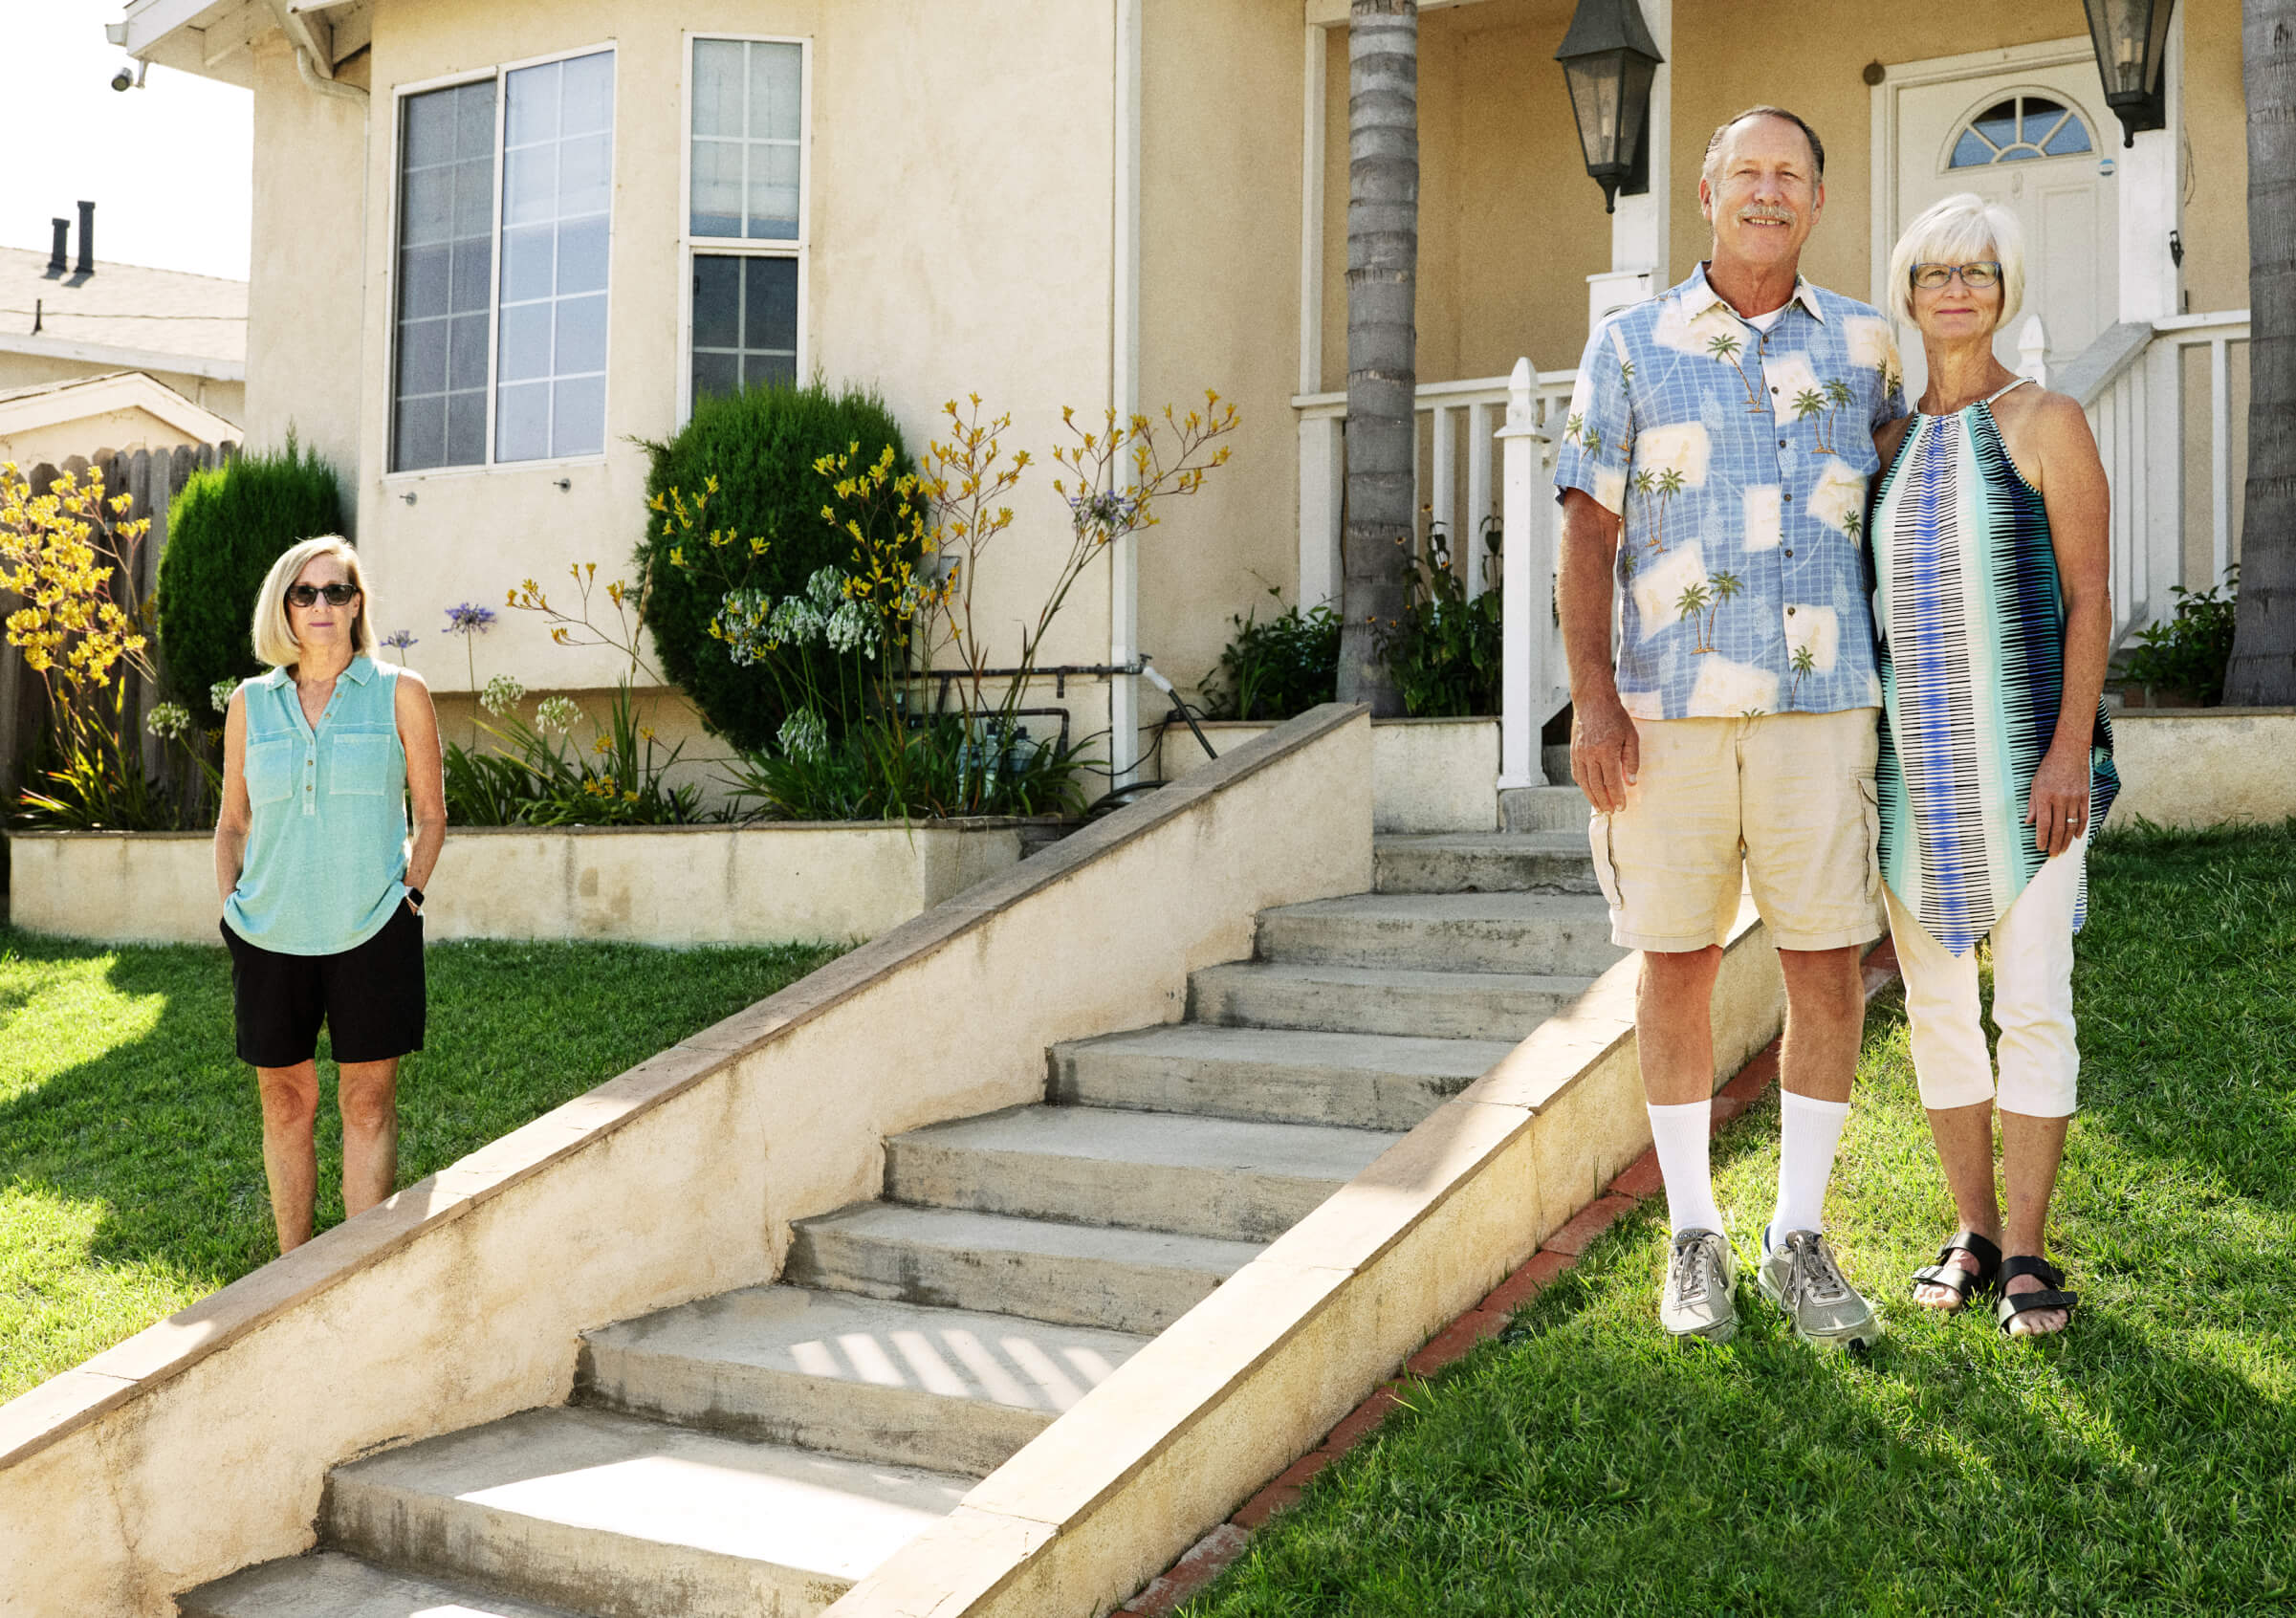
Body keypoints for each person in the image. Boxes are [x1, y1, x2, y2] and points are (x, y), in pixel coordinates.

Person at [1555, 106, 1906, 1350]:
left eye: (1790, 175)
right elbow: (1588, 531)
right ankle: (1692, 1234)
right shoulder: (1630, 346)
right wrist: (1591, 697)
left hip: (1822, 710)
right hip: (1668, 718)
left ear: (1816, 200)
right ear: (1707, 192)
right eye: (1745, 170)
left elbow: (1905, 514)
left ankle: (1797, 1237)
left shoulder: (1871, 348)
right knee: (1677, 968)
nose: (1767, 191)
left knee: (1823, 966)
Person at [1872, 194, 2115, 1337]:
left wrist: (2068, 744)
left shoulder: (2045, 419)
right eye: (1934, 271)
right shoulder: (1881, 439)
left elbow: (2088, 598)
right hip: (1912, 772)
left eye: (1977, 270)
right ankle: (1968, 1230)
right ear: (1908, 291)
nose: (1955, 288)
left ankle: (2026, 1249)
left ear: (2005, 288)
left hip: (2029, 766)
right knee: (1935, 1011)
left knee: (2031, 1005)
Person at [214, 536, 446, 1254]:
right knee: (285, 1103)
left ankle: (359, 1265)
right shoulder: (251, 703)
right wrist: (232, 906)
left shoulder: (399, 692)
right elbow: (231, 822)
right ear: (283, 606)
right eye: (304, 592)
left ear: (357, 605)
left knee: (367, 1102)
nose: (321, 605)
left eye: (336, 591)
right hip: (269, 933)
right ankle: (293, 1272)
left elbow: (431, 816)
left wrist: (407, 898)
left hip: (372, 928)